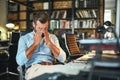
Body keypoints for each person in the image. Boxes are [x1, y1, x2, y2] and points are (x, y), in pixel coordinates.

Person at [16, 12, 66, 80]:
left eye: (45, 28)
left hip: (50, 67)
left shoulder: (52, 37)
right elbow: (19, 61)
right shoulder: (24, 39)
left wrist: (49, 43)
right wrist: (35, 44)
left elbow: (63, 58)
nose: (43, 31)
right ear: (34, 25)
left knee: (70, 73)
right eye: (40, 28)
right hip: (34, 68)